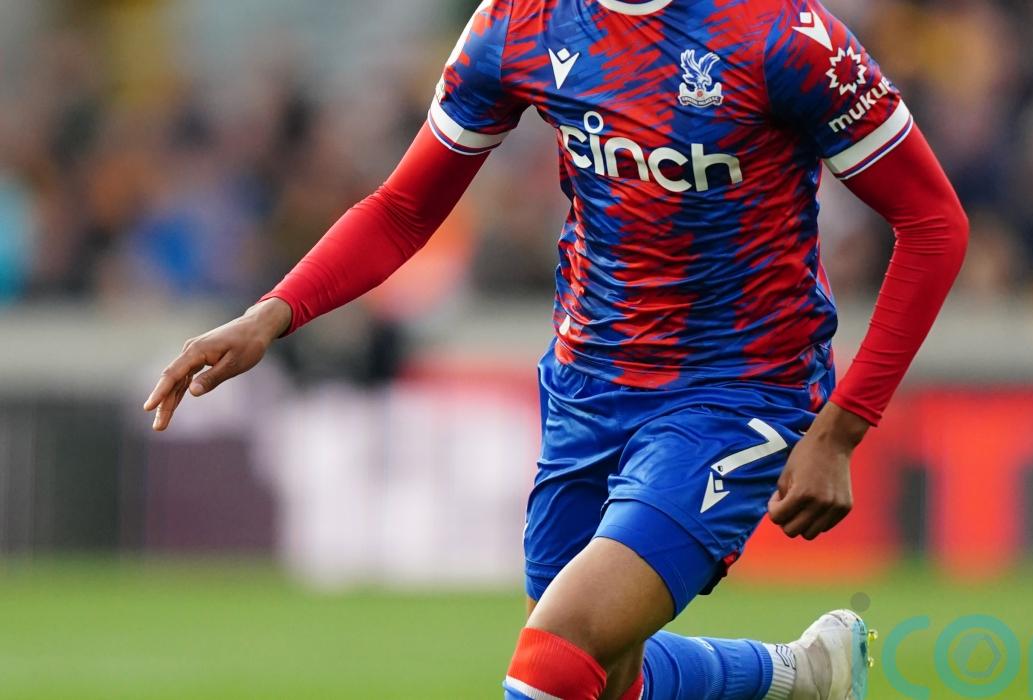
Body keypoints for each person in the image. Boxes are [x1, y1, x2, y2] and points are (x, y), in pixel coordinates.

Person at [144, 0, 969, 698]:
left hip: (738, 391)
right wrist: (270, 314)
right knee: (597, 674)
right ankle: (797, 676)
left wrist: (842, 428)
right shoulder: (520, 22)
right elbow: (403, 209)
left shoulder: (781, 34)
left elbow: (933, 222)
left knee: (555, 654)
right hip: (587, 389)